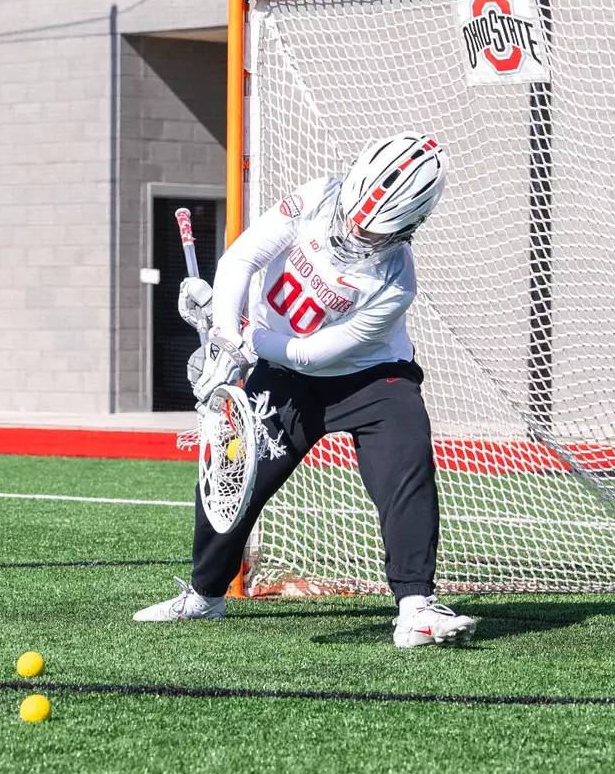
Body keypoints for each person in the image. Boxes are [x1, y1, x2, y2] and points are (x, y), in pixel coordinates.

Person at [135, 132, 477, 648]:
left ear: (407, 228)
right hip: (282, 376)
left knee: (407, 469)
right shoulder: (317, 196)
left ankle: (416, 608)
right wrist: (224, 331)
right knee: (230, 472)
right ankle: (205, 595)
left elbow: (313, 354)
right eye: (353, 215)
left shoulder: (397, 282)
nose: (354, 232)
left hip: (370, 379)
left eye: (372, 230)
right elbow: (239, 261)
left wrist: (242, 339)